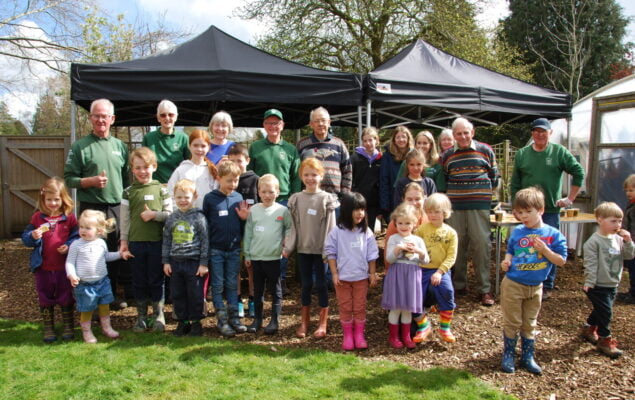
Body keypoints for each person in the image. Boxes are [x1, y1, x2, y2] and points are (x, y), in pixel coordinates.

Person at [64, 98, 131, 310]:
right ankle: (88, 297)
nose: (101, 120)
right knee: (89, 251)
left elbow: (127, 180)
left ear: (112, 119)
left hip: (115, 208)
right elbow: (68, 179)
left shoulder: (120, 146)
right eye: (97, 116)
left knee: (111, 251)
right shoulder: (80, 147)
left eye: (105, 116)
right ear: (91, 118)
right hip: (92, 208)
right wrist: (89, 182)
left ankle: (109, 296)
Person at [510, 117, 585, 299]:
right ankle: (524, 279)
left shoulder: (559, 152)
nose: (539, 134)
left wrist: (570, 198)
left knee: (548, 246)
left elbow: (578, 172)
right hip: (526, 210)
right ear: (532, 133)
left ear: (550, 133)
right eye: (536, 131)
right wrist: (515, 206)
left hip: (549, 210)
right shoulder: (522, 154)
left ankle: (547, 285)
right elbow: (515, 182)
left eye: (543, 131)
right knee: (524, 245)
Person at [500, 187, 567, 374]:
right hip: (513, 284)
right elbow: (511, 251)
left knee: (530, 322)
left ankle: (528, 356)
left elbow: (561, 261)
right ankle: (509, 354)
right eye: (520, 212)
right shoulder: (517, 232)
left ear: (541, 210)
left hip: (536, 287)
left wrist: (546, 251)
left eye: (529, 211)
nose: (524, 216)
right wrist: (507, 261)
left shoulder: (553, 234)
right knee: (512, 321)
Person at [438, 117, 499, 306]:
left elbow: (494, 178)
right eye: (459, 133)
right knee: (458, 245)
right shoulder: (447, 156)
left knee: (482, 246)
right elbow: (445, 180)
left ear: (472, 133)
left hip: (479, 207)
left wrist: (489, 202)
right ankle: (459, 285)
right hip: (455, 208)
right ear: (453, 135)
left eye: (466, 132)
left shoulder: (485, 151)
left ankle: (484, 289)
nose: (463, 136)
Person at [248, 109, 301, 294]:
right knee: (263, 239)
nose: (273, 126)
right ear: (264, 125)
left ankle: (280, 280)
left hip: (284, 201)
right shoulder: (255, 148)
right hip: (261, 202)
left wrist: (294, 199)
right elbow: (250, 175)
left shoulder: (290, 149)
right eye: (269, 123)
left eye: (276, 123)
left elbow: (295, 176)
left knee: (283, 241)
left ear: (282, 126)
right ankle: (262, 281)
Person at [119, 147, 173, 333]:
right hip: (136, 243)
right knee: (139, 280)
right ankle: (141, 316)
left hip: (157, 243)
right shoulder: (128, 192)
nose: (143, 171)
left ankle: (159, 314)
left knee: (156, 279)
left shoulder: (162, 190)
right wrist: (124, 241)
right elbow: (124, 220)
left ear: (154, 167)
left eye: (146, 167)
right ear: (132, 169)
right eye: (138, 167)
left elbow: (170, 215)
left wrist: (153, 215)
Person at [285, 158, 338, 339]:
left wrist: (328, 251)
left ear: (321, 176)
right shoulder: (296, 199)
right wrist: (289, 246)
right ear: (301, 176)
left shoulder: (326, 199)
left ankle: (323, 322)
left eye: (314, 175)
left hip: (321, 251)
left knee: (322, 284)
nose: (310, 178)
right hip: (303, 249)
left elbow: (331, 227)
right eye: (306, 175)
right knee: (306, 284)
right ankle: (304, 321)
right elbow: (292, 225)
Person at [22, 177, 79, 343]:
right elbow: (25, 239)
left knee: (65, 295)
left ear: (63, 199)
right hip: (43, 266)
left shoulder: (69, 218)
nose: (53, 203)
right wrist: (32, 236)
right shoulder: (37, 219)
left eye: (56, 199)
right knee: (45, 295)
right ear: (43, 199)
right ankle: (49, 327)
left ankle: (68, 325)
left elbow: (76, 237)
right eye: (49, 200)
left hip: (64, 267)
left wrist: (68, 245)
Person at [325, 192, 379, 350]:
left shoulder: (366, 232)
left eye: (362, 209)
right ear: (347, 210)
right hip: (342, 279)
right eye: (356, 209)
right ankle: (348, 335)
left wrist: (372, 273)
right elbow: (331, 253)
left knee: (360, 307)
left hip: (361, 278)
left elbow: (372, 255)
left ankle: (359, 335)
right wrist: (334, 273)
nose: (360, 213)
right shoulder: (337, 232)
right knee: (345, 307)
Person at [581, 202, 635, 359]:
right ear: (599, 220)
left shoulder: (618, 239)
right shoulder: (594, 242)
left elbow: (629, 256)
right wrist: (589, 282)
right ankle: (605, 339)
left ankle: (589, 328)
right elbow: (590, 263)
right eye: (613, 221)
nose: (617, 225)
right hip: (597, 285)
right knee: (606, 313)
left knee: (601, 309)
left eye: (619, 221)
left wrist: (628, 242)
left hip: (612, 283)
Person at [203, 161, 250, 337]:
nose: (233, 184)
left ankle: (234, 318)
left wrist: (245, 219)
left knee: (232, 284)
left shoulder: (238, 198)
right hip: (215, 249)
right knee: (218, 285)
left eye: (236, 180)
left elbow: (243, 224)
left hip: (233, 249)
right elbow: (205, 225)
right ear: (218, 178)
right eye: (229, 180)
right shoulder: (210, 198)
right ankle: (221, 320)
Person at [243, 174, 293, 335]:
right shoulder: (254, 210)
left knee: (275, 290)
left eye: (271, 192)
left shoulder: (282, 211)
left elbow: (290, 229)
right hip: (257, 258)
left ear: (278, 192)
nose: (267, 195)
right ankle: (257, 319)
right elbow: (249, 233)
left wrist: (286, 246)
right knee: (257, 291)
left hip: (274, 258)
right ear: (258, 192)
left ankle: (274, 320)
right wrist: (248, 255)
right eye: (263, 192)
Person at [65, 210, 124, 343]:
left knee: (104, 306)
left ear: (99, 230)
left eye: (88, 228)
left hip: (102, 282)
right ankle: (86, 331)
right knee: (87, 309)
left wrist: (120, 254)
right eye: (81, 227)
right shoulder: (76, 245)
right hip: (85, 285)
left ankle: (106, 327)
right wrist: (72, 275)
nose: (83, 230)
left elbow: (106, 257)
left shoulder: (101, 243)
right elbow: (69, 262)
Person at [162, 179, 209, 337]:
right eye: (179, 197)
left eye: (186, 197)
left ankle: (196, 323)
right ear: (174, 197)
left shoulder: (199, 217)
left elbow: (205, 241)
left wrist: (203, 263)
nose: (183, 200)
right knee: (178, 294)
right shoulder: (172, 218)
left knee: (195, 293)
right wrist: (166, 261)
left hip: (193, 263)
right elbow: (167, 240)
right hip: (175, 262)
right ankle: (183, 322)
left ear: (194, 197)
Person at [382, 203, 430, 349]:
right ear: (395, 223)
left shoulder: (418, 241)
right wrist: (398, 249)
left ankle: (406, 336)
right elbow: (389, 259)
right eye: (400, 223)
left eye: (407, 223)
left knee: (407, 309)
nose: (404, 226)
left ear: (414, 224)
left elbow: (426, 260)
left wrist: (419, 251)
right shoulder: (394, 239)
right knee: (396, 308)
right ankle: (394, 337)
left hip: (412, 276)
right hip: (397, 275)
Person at [413, 193, 457, 344]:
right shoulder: (421, 230)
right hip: (422, 269)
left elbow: (451, 257)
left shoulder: (451, 233)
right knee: (412, 295)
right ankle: (423, 325)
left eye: (437, 211)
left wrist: (439, 272)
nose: (432, 215)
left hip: (440, 269)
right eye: (429, 211)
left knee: (447, 291)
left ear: (445, 212)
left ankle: (444, 328)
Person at [228, 143, 259, 317]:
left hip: (252, 232)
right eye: (231, 161)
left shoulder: (255, 180)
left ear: (247, 160)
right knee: (235, 268)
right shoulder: (228, 180)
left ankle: (253, 299)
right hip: (233, 232)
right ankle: (238, 299)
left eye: (239, 161)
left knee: (251, 266)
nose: (236, 165)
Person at [296, 107, 352, 198]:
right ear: (311, 124)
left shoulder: (339, 144)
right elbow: (297, 172)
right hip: (309, 198)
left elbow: (347, 170)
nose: (320, 124)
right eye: (317, 121)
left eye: (323, 120)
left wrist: (345, 195)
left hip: (335, 199)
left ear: (329, 123)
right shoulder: (302, 145)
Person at [167, 129, 219, 209]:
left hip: (207, 217)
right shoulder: (181, 170)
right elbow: (170, 193)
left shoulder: (212, 170)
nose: (199, 149)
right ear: (189, 146)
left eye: (203, 146)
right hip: (185, 218)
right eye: (195, 145)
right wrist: (179, 211)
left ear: (208, 147)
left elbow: (216, 195)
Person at [141, 100, 190, 184]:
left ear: (176, 117)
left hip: (178, 186)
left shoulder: (183, 138)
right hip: (155, 186)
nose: (167, 118)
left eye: (171, 114)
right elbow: (143, 165)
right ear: (158, 118)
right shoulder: (148, 138)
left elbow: (189, 164)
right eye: (163, 115)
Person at [383, 183, 429, 267]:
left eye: (418, 199)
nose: (414, 203)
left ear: (424, 199)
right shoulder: (396, 223)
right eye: (409, 199)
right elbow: (388, 253)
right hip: (400, 268)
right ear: (403, 200)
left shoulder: (429, 220)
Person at [351, 127, 382, 233]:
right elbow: (350, 178)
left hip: (373, 202)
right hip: (358, 201)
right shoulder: (355, 158)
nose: (368, 143)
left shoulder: (381, 159)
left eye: (370, 140)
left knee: (370, 230)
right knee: (356, 229)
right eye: (365, 141)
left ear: (376, 141)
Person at [379, 126, 414, 219]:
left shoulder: (414, 154)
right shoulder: (387, 156)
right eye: (398, 137)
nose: (401, 140)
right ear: (394, 140)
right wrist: (384, 205)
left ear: (408, 139)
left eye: (403, 137)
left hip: (411, 199)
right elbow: (384, 180)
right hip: (393, 199)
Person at [618, 174, 635, 304]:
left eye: (631, 190)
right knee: (631, 268)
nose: (628, 193)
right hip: (630, 243)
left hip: (633, 242)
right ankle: (632, 291)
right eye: (627, 190)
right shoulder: (631, 205)